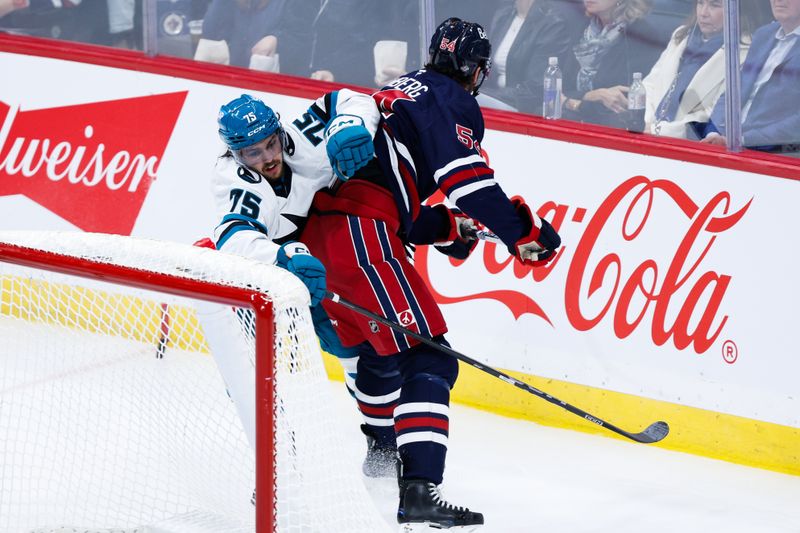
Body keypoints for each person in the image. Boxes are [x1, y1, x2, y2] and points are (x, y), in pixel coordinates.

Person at [300, 17, 562, 529]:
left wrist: (445, 227)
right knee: (431, 359)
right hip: (361, 237)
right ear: (475, 70)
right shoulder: (450, 99)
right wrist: (520, 233)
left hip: (320, 241)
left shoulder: (396, 90)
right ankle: (419, 489)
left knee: (381, 350)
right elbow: (465, 179)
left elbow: (393, 196)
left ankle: (379, 457)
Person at [205, 91, 381, 455]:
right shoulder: (234, 179)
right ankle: (274, 453)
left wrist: (353, 124)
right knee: (251, 370)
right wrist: (282, 256)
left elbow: (348, 100)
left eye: (270, 144)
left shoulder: (300, 136)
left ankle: (378, 432)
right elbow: (234, 237)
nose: (269, 158)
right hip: (261, 273)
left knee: (350, 349)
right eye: (253, 152)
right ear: (235, 154)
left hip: (318, 260)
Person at [697, 0, 800, 152]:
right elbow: (732, 92)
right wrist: (714, 132)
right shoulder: (764, 34)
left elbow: (796, 124)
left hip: (774, 154)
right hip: (727, 144)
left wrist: (742, 140)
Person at [642, 0, 753, 138]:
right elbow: (651, 83)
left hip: (683, 141)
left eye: (714, 5)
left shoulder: (743, 53)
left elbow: (714, 112)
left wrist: (659, 130)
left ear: (735, 11)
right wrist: (646, 122)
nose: (703, 13)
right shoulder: (681, 35)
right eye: (700, 3)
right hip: (647, 130)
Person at [560, 0, 666, 129]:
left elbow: (622, 103)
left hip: (611, 131)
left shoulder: (642, 36)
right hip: (570, 123)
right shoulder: (580, 28)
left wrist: (571, 102)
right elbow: (556, 88)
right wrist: (590, 96)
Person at [481, 0, 573, 115]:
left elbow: (535, 88)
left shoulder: (553, 23)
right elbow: (484, 65)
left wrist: (484, 95)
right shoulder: (504, 15)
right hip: (492, 97)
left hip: (522, 106)